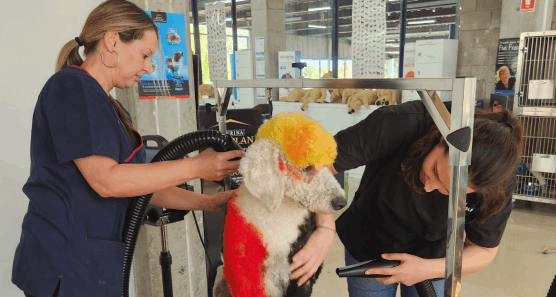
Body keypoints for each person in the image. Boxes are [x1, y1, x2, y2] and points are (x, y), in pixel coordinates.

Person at [11, 1, 244, 297]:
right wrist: (197, 167)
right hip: (66, 262)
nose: (147, 67)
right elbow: (106, 180)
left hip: (93, 263)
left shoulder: (111, 107)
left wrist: (210, 203)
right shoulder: (71, 87)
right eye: (144, 55)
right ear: (112, 42)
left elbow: (140, 185)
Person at [289, 100, 523, 297]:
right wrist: (324, 226)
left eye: (448, 191)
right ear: (442, 139)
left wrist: (428, 269)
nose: (430, 186)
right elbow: (313, 167)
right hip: (370, 242)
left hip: (435, 258)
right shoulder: (400, 122)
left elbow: (484, 250)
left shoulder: (496, 182)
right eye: (433, 171)